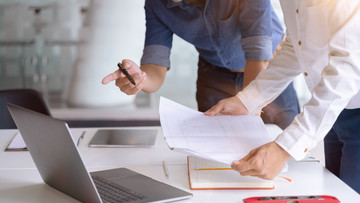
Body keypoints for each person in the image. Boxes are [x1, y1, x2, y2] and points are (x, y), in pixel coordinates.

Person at [205, 0, 360, 194]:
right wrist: (247, 100)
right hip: (334, 111)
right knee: (336, 199)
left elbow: (347, 69)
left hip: (348, 104)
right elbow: (297, 47)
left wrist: (284, 148)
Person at [102, 0, 299, 130]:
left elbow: (258, 57)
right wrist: (139, 79)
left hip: (267, 71)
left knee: (284, 142)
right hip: (214, 74)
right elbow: (154, 68)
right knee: (215, 151)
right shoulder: (156, 4)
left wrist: (249, 107)